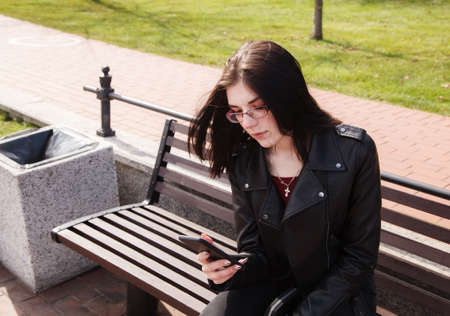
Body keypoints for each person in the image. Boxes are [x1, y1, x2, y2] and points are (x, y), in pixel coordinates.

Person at [188, 40, 381, 316]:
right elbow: (255, 251)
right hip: (275, 286)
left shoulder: (353, 151)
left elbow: (358, 259)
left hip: (337, 296)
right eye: (238, 112)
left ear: (287, 97)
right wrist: (228, 271)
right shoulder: (244, 160)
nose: (248, 123)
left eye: (258, 107)